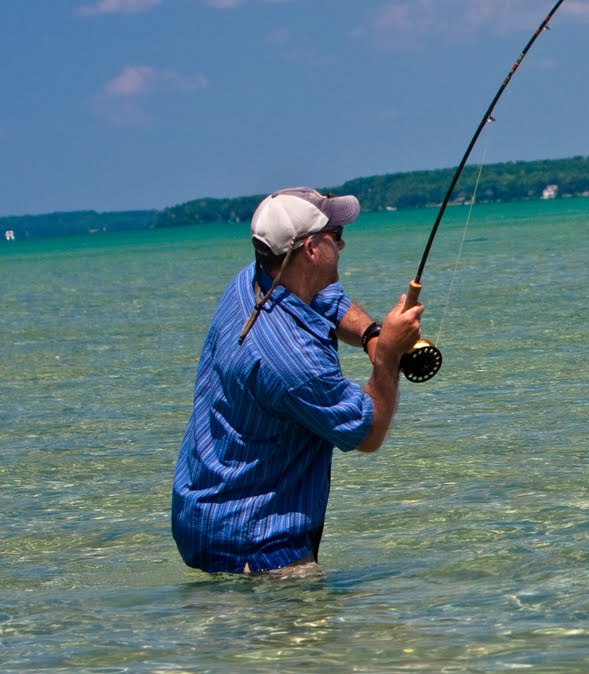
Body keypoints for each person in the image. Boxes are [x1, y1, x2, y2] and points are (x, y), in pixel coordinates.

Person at [172, 187, 423, 573]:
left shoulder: (253, 280)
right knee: (308, 635)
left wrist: (372, 336)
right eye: (334, 237)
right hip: (258, 544)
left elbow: (325, 297)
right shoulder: (294, 361)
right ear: (309, 249)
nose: (342, 244)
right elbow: (367, 432)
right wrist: (388, 357)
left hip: (206, 515)